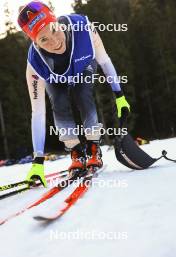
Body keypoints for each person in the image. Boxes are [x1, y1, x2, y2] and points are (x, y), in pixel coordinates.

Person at [17, 1, 130, 187]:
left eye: (54, 29)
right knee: (59, 103)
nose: (54, 41)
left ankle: (93, 148)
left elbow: (105, 61)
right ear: (34, 42)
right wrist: (38, 160)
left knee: (82, 93)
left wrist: (120, 96)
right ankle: (76, 150)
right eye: (43, 39)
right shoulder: (35, 65)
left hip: (83, 66)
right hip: (55, 77)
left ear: (56, 19)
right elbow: (37, 113)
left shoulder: (84, 28)